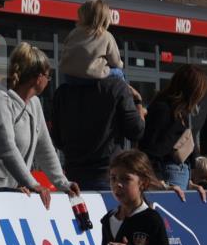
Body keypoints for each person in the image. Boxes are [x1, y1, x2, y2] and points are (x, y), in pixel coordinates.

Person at [0, 42, 80, 208]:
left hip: (6, 189)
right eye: (48, 76)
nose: (48, 80)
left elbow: (45, 149)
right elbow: (6, 148)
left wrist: (63, 183)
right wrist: (33, 183)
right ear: (38, 78)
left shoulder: (35, 103)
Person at [51, 62, 144, 191]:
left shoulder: (62, 92)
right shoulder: (116, 86)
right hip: (107, 175)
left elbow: (58, 140)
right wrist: (138, 102)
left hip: (74, 178)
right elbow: (136, 130)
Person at [139, 65, 207, 190]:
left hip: (179, 177)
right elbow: (149, 151)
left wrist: (190, 183)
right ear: (193, 91)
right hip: (167, 177)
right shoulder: (164, 110)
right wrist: (160, 183)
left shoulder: (180, 113)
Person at [58, 0, 124, 83]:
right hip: (91, 77)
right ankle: (125, 92)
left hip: (70, 77)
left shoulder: (73, 33)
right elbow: (116, 63)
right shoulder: (106, 36)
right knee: (118, 72)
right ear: (105, 18)